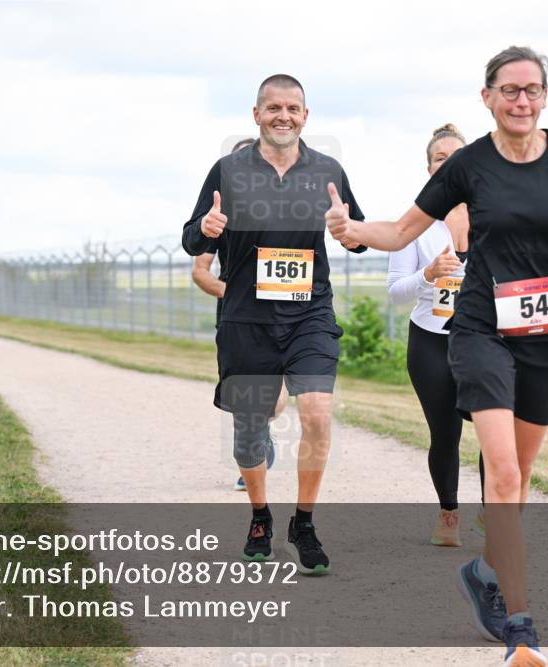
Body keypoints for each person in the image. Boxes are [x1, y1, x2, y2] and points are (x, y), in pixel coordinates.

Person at [326, 46, 548, 666]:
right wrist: (351, 229)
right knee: (504, 476)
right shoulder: (467, 165)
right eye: (509, 90)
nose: (522, 100)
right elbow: (401, 231)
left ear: (545, 97)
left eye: (532, 90)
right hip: (481, 329)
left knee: (520, 477)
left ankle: (485, 572)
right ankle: (521, 628)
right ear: (487, 96)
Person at [182, 74, 367, 574]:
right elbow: (192, 239)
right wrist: (205, 228)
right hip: (247, 317)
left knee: (317, 414)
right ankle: (260, 515)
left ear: (305, 116)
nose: (283, 116)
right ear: (257, 114)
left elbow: (355, 235)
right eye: (273, 108)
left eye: (292, 108)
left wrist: (348, 231)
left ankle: (303, 523)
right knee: (249, 428)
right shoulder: (228, 170)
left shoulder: (327, 170)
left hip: (309, 313)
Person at [387, 123, 487, 547]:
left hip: (483, 340)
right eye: (440, 158)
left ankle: (493, 512)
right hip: (430, 340)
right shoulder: (415, 225)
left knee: (495, 426)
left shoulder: (494, 216)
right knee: (445, 434)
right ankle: (449, 513)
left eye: (457, 156)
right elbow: (395, 292)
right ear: (430, 171)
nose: (449, 164)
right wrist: (427, 274)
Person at [192, 137, 286, 492]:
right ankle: (252, 456)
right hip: (237, 315)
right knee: (245, 394)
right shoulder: (220, 218)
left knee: (273, 398)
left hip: (281, 315)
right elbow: (200, 272)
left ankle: (261, 435)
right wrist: (235, 292)